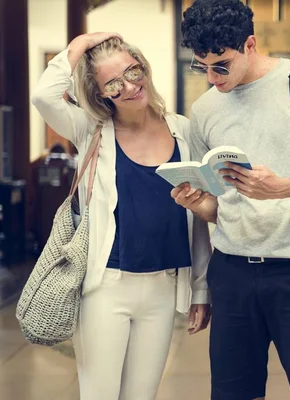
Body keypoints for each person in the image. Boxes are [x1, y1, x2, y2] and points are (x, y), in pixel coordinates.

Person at [171, 1, 290, 399]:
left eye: (221, 64)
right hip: (233, 272)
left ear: (250, 44)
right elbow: (218, 208)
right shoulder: (204, 109)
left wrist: (282, 187)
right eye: (201, 66)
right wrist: (195, 203)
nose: (211, 77)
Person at [31, 32, 212, 400]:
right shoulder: (91, 130)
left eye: (134, 71)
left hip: (163, 286)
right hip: (105, 288)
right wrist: (83, 42)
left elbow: (199, 221)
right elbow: (43, 96)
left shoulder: (185, 131)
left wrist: (201, 289)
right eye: (114, 83)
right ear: (100, 95)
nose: (130, 86)